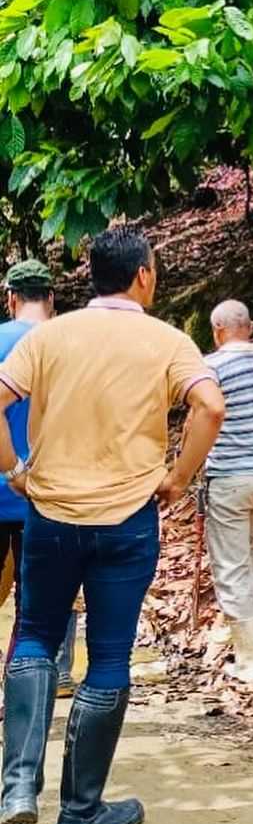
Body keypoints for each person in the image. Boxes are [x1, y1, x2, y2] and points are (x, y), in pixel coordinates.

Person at [0, 227, 225, 824]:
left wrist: (15, 470)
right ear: (144, 275)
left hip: (51, 514)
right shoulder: (167, 341)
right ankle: (79, 816)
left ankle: (16, 790)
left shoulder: (50, 336)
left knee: (35, 634)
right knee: (107, 655)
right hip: (127, 518)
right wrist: (179, 477)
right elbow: (210, 407)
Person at [0, 263, 79, 700]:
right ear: (50, 298)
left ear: (11, 298)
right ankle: (24, 692)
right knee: (40, 604)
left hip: (3, 486)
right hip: (49, 492)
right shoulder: (70, 343)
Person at [203, 299, 253, 684]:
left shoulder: (210, 368)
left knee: (233, 565)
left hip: (231, 477)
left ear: (217, 332)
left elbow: (202, 418)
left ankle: (248, 661)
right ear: (250, 327)